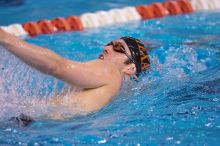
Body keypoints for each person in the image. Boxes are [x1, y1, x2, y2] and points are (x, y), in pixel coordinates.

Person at [0, 28, 150, 123]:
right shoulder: (118, 93)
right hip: (30, 124)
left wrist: (5, 37)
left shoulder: (110, 71)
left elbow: (57, 67)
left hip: (19, 121)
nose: (106, 48)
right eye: (110, 43)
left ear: (130, 68)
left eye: (118, 48)